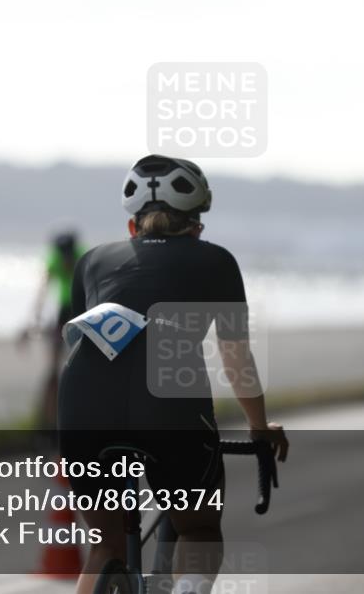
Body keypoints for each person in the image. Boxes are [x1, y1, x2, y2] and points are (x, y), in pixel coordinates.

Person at [57, 155, 288, 594]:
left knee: (106, 548)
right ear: (197, 226)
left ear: (132, 227)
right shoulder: (216, 261)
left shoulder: (89, 262)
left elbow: (83, 346)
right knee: (199, 530)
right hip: (168, 401)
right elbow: (235, 358)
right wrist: (260, 429)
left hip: (83, 400)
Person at [26, 230, 85, 429]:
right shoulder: (54, 258)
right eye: (64, 256)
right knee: (53, 368)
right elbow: (43, 287)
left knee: (79, 365)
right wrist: (36, 315)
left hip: (80, 310)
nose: (67, 260)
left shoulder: (82, 255)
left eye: (69, 255)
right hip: (62, 311)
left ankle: (76, 413)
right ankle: (48, 419)